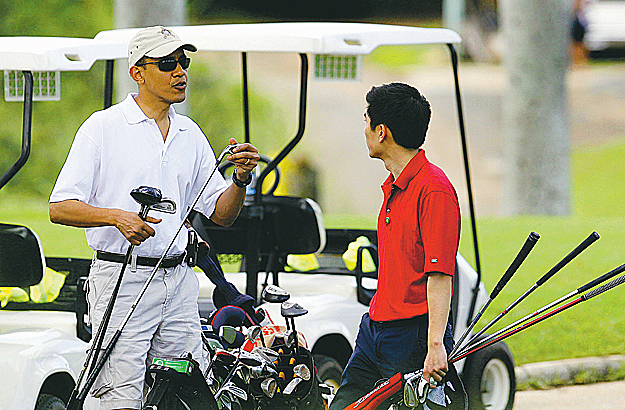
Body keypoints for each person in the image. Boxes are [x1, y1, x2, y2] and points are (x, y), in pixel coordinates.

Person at [49, 26, 259, 410]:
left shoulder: (189, 133)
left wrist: (241, 179)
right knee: (122, 395)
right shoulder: (102, 127)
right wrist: (117, 218)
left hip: (179, 282)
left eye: (184, 62)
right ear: (138, 72)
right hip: (121, 278)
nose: (180, 72)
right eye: (167, 64)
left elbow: (222, 213)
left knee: (188, 392)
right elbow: (60, 207)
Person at [329, 83, 466, 409]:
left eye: (366, 121)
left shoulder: (434, 190)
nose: (363, 129)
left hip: (413, 337)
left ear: (381, 132)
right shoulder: (393, 185)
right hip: (375, 330)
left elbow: (440, 275)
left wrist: (435, 345)